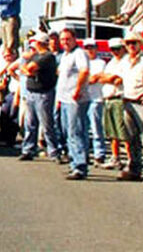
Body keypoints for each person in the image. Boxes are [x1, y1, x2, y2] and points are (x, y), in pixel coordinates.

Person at [119, 32, 143, 182]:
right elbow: (118, 78)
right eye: (128, 43)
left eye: (134, 43)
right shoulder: (124, 61)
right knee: (130, 137)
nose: (131, 46)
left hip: (142, 101)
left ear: (140, 44)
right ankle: (134, 167)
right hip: (128, 100)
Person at [19, 33, 63, 161]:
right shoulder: (36, 56)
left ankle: (54, 151)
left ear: (39, 43)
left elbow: (29, 69)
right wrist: (27, 69)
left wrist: (27, 69)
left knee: (47, 123)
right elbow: (26, 69)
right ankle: (28, 149)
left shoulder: (47, 57)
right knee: (30, 123)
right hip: (31, 92)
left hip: (43, 93)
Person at [56, 29, 91, 180]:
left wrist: (78, 89)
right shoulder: (65, 55)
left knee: (76, 131)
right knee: (67, 132)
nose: (65, 42)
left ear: (75, 39)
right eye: (62, 39)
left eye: (67, 39)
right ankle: (73, 162)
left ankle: (80, 166)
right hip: (63, 99)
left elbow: (84, 71)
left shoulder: (79, 53)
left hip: (75, 100)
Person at [99, 38, 131, 170]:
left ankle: (130, 159)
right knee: (112, 132)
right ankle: (115, 157)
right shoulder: (111, 63)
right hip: (108, 98)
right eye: (113, 49)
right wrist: (108, 78)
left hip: (120, 97)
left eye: (118, 49)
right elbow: (103, 78)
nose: (115, 52)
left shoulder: (127, 62)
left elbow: (117, 79)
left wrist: (108, 78)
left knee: (124, 132)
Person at [85, 41, 108, 167]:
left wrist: (86, 79)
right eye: (87, 48)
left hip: (96, 98)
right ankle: (85, 154)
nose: (89, 50)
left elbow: (95, 78)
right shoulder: (82, 62)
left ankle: (99, 153)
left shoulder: (101, 63)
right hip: (83, 99)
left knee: (96, 128)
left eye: (92, 48)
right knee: (83, 128)